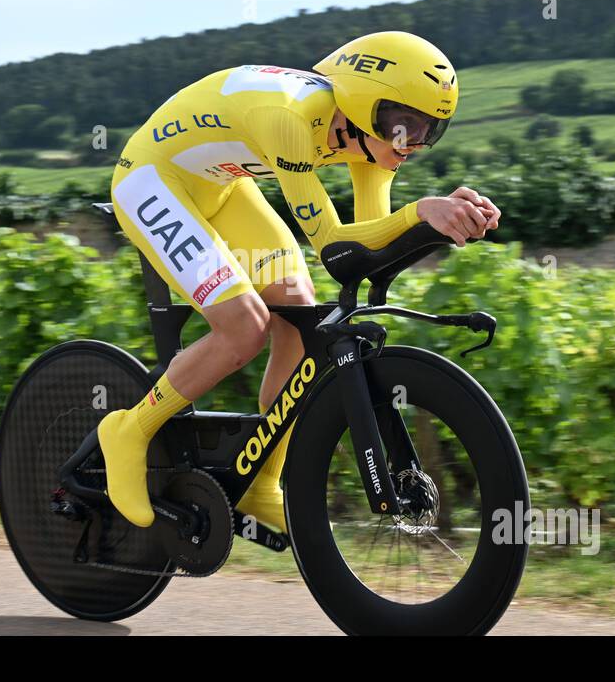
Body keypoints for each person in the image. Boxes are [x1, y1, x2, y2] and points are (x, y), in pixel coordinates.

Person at [101, 30, 501, 530]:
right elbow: (334, 245)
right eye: (405, 127)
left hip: (223, 189)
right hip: (152, 180)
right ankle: (128, 430)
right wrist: (422, 212)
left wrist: (438, 226)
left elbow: (366, 252)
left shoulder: (370, 143)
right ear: (361, 105)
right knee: (243, 327)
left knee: (297, 312)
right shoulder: (290, 119)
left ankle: (262, 481)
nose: (414, 145)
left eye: (429, 131)